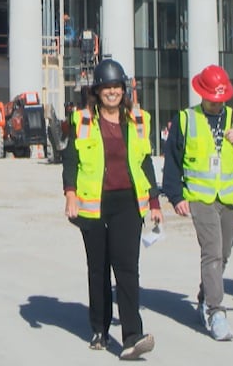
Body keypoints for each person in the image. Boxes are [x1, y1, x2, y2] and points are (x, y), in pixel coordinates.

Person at [61, 59, 160, 359]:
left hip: (129, 203)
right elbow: (70, 160)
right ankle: (100, 329)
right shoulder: (83, 120)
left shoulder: (138, 120)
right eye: (107, 87)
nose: (112, 92)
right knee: (98, 269)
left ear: (124, 89)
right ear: (98, 91)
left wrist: (154, 202)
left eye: (117, 87)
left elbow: (145, 162)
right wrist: (70, 195)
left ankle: (132, 335)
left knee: (127, 269)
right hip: (93, 205)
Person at [162, 64, 233, 342]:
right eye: (212, 99)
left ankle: (203, 296)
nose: (217, 104)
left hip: (230, 197)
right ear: (202, 93)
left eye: (221, 99)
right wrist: (176, 196)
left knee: (224, 253)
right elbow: (172, 160)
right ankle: (216, 311)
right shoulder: (186, 119)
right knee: (212, 251)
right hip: (199, 196)